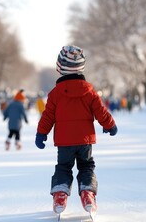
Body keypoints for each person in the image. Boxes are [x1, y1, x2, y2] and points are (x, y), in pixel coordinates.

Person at [34, 45, 117, 215]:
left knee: (64, 167)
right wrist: (110, 125)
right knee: (86, 166)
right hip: (85, 140)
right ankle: (87, 192)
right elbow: (101, 111)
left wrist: (41, 133)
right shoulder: (89, 92)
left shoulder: (55, 94)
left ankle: (60, 193)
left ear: (60, 66)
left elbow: (48, 116)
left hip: (64, 141)